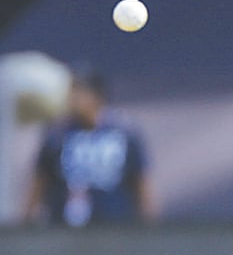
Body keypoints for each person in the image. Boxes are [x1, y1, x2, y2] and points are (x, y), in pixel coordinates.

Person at [23, 68, 156, 227]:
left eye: (79, 92)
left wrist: (149, 224)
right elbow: (40, 182)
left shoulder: (124, 133)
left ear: (96, 96)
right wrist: (27, 220)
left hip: (114, 229)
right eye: (71, 93)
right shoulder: (57, 135)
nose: (73, 99)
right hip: (64, 230)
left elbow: (141, 183)